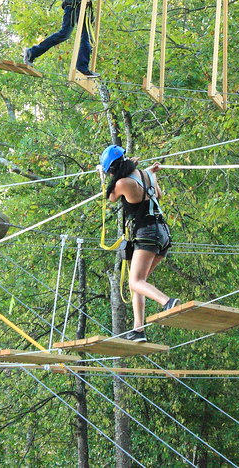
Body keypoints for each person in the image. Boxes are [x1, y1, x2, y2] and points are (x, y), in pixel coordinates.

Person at [102, 145, 179, 342]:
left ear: (112, 170)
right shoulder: (145, 174)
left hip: (147, 233)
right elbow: (158, 195)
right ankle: (138, 329)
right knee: (138, 283)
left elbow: (110, 198)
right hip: (163, 233)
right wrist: (152, 174)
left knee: (135, 281)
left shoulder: (123, 182)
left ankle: (168, 302)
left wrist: (101, 177)